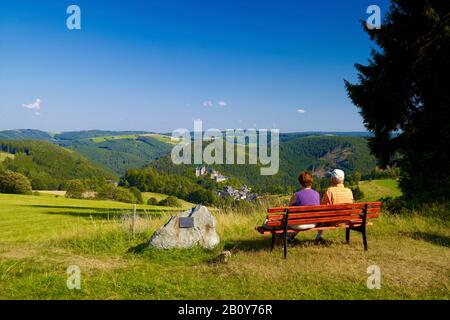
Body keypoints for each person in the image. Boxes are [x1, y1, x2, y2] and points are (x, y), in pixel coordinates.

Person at [315, 169, 354, 242]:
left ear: (333, 179)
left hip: (333, 221)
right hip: (346, 220)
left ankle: (319, 236)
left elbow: (322, 207)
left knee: (320, 214)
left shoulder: (330, 191)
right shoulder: (349, 191)